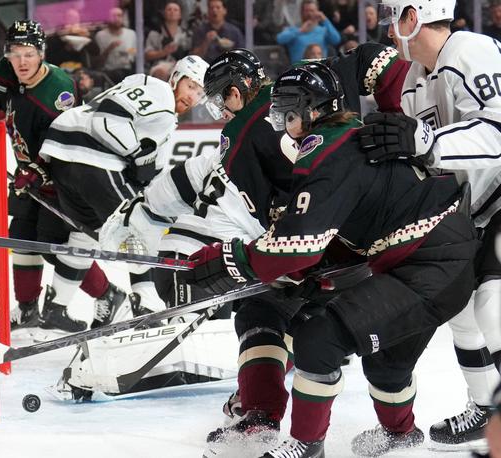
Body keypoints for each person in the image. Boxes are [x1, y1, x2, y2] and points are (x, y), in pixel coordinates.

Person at [101, 44, 408, 454]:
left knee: (261, 310)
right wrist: (400, 118)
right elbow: (376, 60)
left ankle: (263, 411)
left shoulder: (237, 135)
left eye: (219, 102)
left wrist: (195, 264)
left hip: (318, 244)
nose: (220, 113)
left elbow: (256, 220)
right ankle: (394, 429)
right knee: (305, 318)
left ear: (232, 91)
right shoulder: (307, 78)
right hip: (372, 235)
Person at [179, 61, 478, 458]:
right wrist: (306, 268)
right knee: (386, 363)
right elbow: (336, 231)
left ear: (313, 109)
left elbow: (297, 244)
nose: (281, 121)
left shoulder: (325, 152)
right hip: (440, 259)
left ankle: (306, 445)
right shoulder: (346, 136)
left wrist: (230, 260)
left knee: (319, 336)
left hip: (427, 267)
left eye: (287, 109)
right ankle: (400, 435)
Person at [357, 0, 501, 449]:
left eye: (392, 14)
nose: (386, 25)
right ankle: (487, 408)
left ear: (414, 15)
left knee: (493, 306)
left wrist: (423, 141)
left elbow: (498, 132)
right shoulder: (414, 81)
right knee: (460, 308)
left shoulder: (469, 51)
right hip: (474, 210)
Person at [39, 55, 209, 327]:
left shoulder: (164, 120)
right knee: (142, 227)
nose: (193, 97)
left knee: (86, 236)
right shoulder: (160, 91)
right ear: (176, 78)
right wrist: (138, 153)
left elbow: (151, 178)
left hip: (66, 161)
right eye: (191, 86)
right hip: (92, 158)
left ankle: (55, 310)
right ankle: (147, 305)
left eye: (200, 93)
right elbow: (108, 118)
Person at [0, 19, 85, 333]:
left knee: (53, 244)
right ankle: (27, 309)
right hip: (27, 174)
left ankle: (110, 295)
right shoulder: (2, 73)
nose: (21, 61)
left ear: (40, 53)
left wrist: (39, 170)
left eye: (28, 53)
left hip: (63, 175)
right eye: (15, 53)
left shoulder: (59, 90)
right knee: (22, 233)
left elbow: (70, 143)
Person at [276, 0, 341, 63]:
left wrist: (325, 20)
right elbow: (280, 39)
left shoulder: (323, 30)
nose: (309, 13)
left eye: (312, 11)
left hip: (319, 68)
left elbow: (336, 40)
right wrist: (300, 30)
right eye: (306, 11)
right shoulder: (294, 29)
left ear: (317, 12)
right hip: (300, 69)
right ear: (301, 12)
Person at [145, 1, 191, 81]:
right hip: (161, 65)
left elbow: (191, 53)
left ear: (180, 15)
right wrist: (164, 52)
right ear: (164, 13)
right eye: (169, 9)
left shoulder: (186, 34)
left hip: (181, 64)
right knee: (160, 73)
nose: (172, 12)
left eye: (175, 10)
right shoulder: (155, 33)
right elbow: (147, 55)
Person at [94, 7, 137, 83]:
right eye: (114, 16)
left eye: (119, 15)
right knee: (119, 74)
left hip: (128, 68)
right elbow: (97, 62)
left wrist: (129, 52)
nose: (117, 18)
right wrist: (109, 48)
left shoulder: (131, 34)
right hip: (109, 71)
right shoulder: (100, 35)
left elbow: (134, 52)